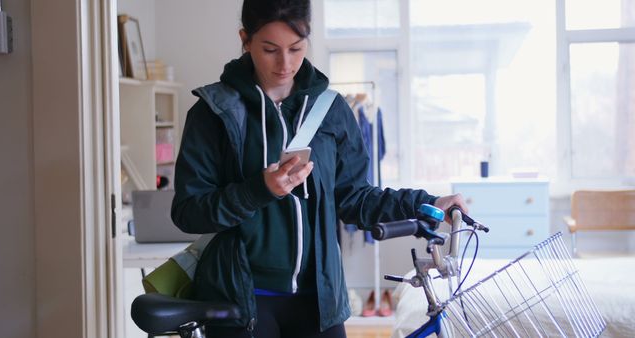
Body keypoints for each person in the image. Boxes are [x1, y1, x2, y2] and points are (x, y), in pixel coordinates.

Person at [171, 0, 467, 337]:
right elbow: (188, 213)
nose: (285, 64)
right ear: (245, 39)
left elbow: (355, 199)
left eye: (296, 48)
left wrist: (425, 203)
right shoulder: (214, 112)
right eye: (270, 49)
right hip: (240, 302)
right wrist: (259, 190)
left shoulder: (332, 109)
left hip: (318, 302)